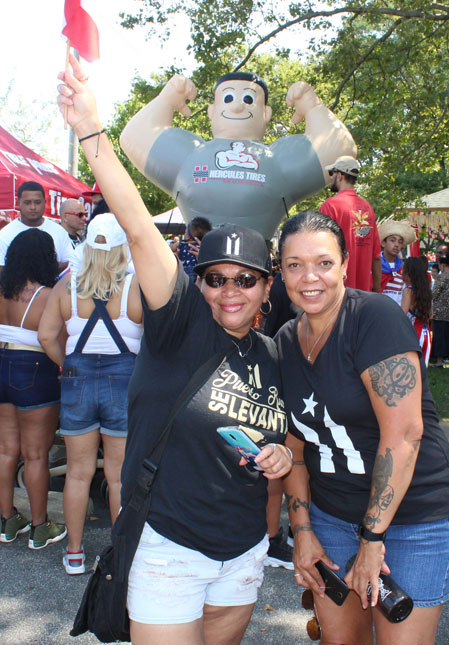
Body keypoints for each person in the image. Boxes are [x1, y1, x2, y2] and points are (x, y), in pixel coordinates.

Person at [58, 55, 292, 643]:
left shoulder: (273, 353)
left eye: (245, 278)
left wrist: (283, 458)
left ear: (268, 285)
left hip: (242, 555)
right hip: (168, 551)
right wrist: (90, 129)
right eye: (216, 277)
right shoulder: (180, 320)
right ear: (200, 280)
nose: (229, 291)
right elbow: (138, 226)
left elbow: (280, 437)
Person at [275, 211, 449, 644]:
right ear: (280, 271)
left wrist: (372, 539)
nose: (309, 277)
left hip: (413, 519)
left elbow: (405, 434)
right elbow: (295, 447)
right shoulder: (283, 341)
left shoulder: (373, 318)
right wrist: (300, 531)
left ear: (344, 265)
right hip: (332, 516)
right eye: (294, 265)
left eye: (323, 262)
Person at [120, 71, 356, 240]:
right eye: (228, 98)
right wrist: (165, 100)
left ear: (266, 113)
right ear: (212, 111)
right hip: (199, 268)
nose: (236, 107)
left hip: (254, 270)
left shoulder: (277, 161)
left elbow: (340, 148)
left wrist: (312, 106)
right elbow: (133, 137)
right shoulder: (189, 154)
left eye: (248, 99)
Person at [38, 213, 144, 575]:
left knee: (78, 474)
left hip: (76, 381)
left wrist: (66, 365)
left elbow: (47, 337)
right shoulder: (135, 287)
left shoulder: (66, 286)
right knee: (118, 476)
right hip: (124, 381)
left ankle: (74, 552)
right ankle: (120, 554)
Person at [0, 229, 66, 548]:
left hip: (0, 362)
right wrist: (66, 365)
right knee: (36, 454)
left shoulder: (2, 288)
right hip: (33, 369)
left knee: (6, 450)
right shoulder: (48, 295)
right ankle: (41, 527)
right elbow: (48, 338)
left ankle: (8, 520)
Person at [319, 156, 381, 292]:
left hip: (337, 294)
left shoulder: (330, 206)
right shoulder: (368, 208)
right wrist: (377, 289)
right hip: (364, 294)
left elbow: (320, 250)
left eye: (331, 173)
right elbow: (376, 256)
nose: (330, 178)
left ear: (340, 175)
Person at [0, 181, 73, 272]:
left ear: (44, 203)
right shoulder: (5, 235)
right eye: (27, 203)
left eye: (37, 202)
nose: (33, 207)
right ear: (18, 203)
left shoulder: (59, 231)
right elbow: (2, 272)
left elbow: (70, 264)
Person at [401, 257, 432, 366]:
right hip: (426, 334)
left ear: (408, 274)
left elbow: (402, 314)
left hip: (412, 334)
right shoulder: (425, 290)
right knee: (423, 374)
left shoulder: (408, 291)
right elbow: (431, 315)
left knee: (411, 373)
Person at [377, 219, 416, 305]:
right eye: (392, 240)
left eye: (400, 242)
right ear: (383, 243)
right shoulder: (374, 265)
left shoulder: (404, 268)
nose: (396, 245)